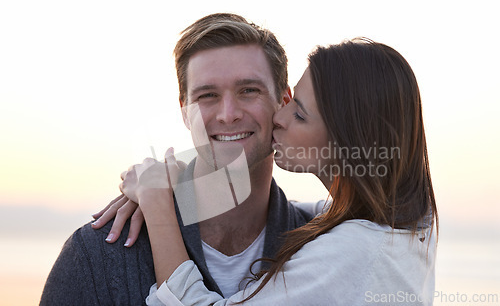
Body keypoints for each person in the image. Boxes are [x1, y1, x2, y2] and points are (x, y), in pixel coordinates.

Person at [120, 38, 438, 305]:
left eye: (299, 113)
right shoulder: (410, 226)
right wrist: (183, 187)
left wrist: (156, 199)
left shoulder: (355, 251)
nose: (279, 117)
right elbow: (325, 215)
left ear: (347, 138)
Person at [40, 13, 318, 305]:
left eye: (248, 91)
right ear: (185, 111)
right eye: (208, 95)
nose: (228, 113)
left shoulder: (323, 244)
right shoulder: (97, 256)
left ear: (284, 102)